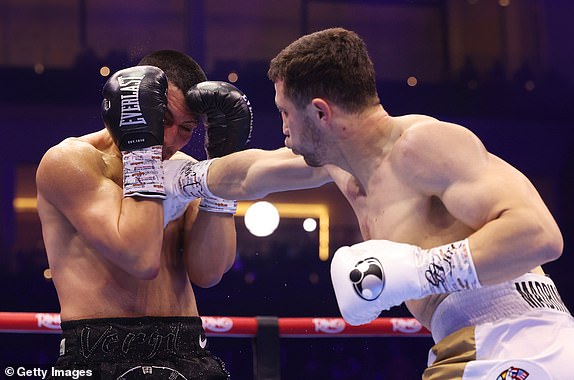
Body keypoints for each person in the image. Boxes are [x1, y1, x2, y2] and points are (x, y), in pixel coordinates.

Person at [264, 27, 574, 379]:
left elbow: (541, 235)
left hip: (510, 340)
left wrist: (418, 271)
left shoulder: (422, 146)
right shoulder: (341, 170)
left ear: (321, 112)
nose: (283, 128)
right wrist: (192, 177)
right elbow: (251, 171)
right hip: (483, 343)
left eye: (285, 112)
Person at [36, 50, 328, 379]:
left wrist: (220, 174)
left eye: (187, 128)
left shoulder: (182, 170)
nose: (172, 138)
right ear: (132, 109)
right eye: (162, 121)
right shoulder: (71, 163)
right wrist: (141, 149)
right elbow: (139, 257)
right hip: (102, 351)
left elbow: (209, 272)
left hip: (188, 347)